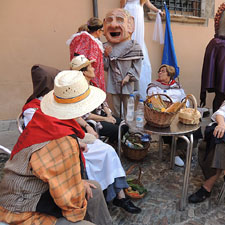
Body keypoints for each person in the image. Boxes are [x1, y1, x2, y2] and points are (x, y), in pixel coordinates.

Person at [22, 64, 141, 214]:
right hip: (56, 151)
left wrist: (84, 131)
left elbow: (73, 117)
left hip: (73, 140)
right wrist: (74, 143)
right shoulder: (32, 109)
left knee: (108, 150)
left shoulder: (57, 100)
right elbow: (39, 138)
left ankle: (120, 196)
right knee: (88, 161)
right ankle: (94, 200)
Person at [0, 70, 113, 225]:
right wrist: (77, 188)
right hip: (23, 205)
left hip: (30, 188)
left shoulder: (47, 118)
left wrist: (77, 184)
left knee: (94, 189)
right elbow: (70, 202)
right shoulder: (61, 140)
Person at [147, 64, 203, 167]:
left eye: (162, 71)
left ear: (169, 74)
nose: (159, 73)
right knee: (168, 124)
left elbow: (185, 100)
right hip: (163, 114)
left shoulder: (177, 87)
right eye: (159, 71)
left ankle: (185, 148)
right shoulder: (154, 86)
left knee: (195, 123)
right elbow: (153, 101)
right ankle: (175, 152)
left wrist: (183, 107)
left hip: (178, 112)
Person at [70, 55, 129, 144]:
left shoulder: (93, 85)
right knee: (117, 130)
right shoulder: (78, 90)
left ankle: (112, 143)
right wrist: (105, 119)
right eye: (90, 67)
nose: (93, 69)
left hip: (101, 114)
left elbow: (103, 102)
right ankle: (110, 145)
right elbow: (85, 115)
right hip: (92, 120)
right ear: (84, 72)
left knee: (125, 125)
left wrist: (109, 115)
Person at [103, 8, 143, 118]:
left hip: (127, 84)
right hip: (113, 83)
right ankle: (118, 130)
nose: (114, 25)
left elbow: (137, 66)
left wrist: (128, 76)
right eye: (109, 20)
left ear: (130, 24)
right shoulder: (106, 46)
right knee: (116, 110)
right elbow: (105, 67)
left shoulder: (135, 47)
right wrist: (106, 55)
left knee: (128, 111)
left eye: (120, 20)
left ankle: (127, 131)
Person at [121, 0, 164, 100]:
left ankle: (140, 91)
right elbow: (122, 3)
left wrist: (158, 10)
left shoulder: (140, 4)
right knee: (130, 36)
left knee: (138, 39)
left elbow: (148, 3)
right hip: (129, 11)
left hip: (137, 11)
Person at [67, 17, 106, 91]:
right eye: (102, 31)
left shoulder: (83, 39)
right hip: (89, 79)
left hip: (88, 77)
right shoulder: (87, 40)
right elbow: (83, 60)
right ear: (98, 31)